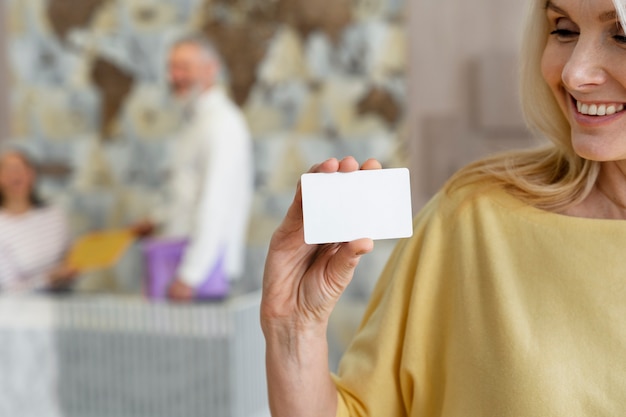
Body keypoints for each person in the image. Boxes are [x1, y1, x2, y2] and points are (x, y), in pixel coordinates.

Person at [260, 0, 626, 415]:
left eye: (621, 35)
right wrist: (293, 329)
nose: (574, 74)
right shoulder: (472, 220)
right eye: (563, 29)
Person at [133, 34, 254, 302]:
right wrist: (157, 219)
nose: (174, 76)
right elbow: (185, 190)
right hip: (179, 259)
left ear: (211, 69)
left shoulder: (222, 124)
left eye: (184, 67)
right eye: (171, 67)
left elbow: (216, 202)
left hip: (201, 273)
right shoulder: (194, 120)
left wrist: (191, 274)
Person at [0, 147, 77, 292]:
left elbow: (71, 259)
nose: (15, 175)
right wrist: (49, 279)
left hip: (65, 303)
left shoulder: (54, 214)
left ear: (32, 174)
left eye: (20, 168)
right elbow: (10, 289)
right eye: (8, 170)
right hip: (21, 311)